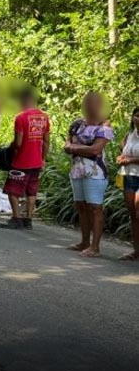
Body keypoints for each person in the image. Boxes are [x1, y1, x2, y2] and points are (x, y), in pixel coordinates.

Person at [64, 92, 114, 257]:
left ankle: (95, 246)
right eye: (87, 102)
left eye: (94, 103)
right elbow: (67, 144)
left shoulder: (104, 127)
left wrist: (75, 148)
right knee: (81, 206)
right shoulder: (77, 124)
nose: (90, 106)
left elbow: (96, 150)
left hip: (95, 172)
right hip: (77, 170)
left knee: (95, 207)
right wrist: (75, 148)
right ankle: (84, 241)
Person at [0, 88, 50, 230]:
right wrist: (43, 158)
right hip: (36, 162)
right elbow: (46, 141)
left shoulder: (21, 118)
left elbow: (18, 143)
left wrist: (10, 148)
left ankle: (16, 218)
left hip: (21, 161)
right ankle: (28, 219)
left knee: (13, 191)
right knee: (31, 192)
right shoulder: (44, 117)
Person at [116, 107, 139, 261]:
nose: (138, 119)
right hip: (129, 176)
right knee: (133, 216)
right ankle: (136, 250)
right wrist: (121, 158)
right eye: (136, 115)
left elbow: (130, 158)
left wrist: (130, 160)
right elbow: (122, 152)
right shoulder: (129, 136)